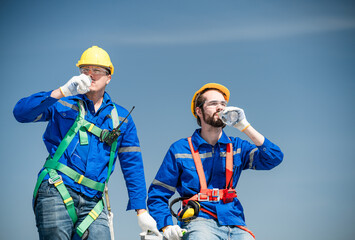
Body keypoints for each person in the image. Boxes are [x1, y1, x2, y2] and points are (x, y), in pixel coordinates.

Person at [13, 46, 160, 240]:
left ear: (109, 77)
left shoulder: (122, 118)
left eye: (97, 71)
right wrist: (61, 91)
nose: (90, 75)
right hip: (57, 188)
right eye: (85, 70)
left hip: (94, 202)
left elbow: (132, 165)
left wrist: (141, 211)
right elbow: (21, 113)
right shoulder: (62, 102)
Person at [147, 83, 284, 240]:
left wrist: (245, 126)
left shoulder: (237, 147)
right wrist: (166, 226)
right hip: (198, 221)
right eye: (213, 104)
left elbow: (274, 157)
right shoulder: (180, 149)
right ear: (199, 111)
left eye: (223, 104)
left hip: (234, 221)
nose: (220, 108)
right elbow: (157, 194)